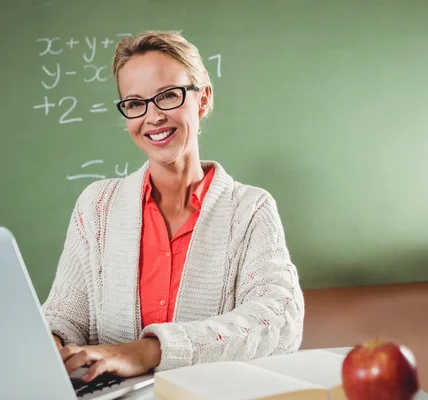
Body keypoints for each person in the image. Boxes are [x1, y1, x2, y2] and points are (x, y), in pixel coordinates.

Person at [41, 30, 305, 383]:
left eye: (168, 96)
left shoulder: (250, 210)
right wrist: (51, 342)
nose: (153, 117)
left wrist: (148, 351)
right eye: (135, 103)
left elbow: (279, 320)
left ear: (203, 99)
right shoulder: (97, 207)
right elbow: (64, 315)